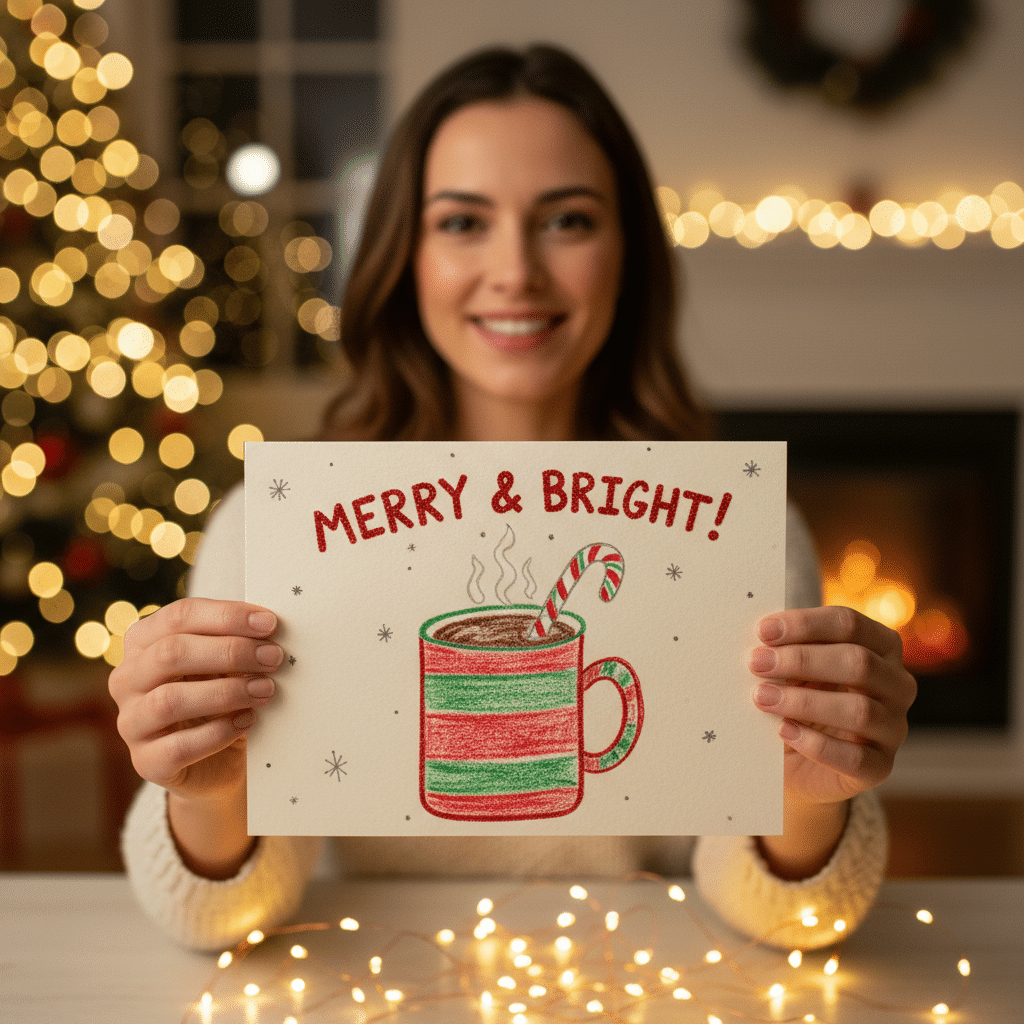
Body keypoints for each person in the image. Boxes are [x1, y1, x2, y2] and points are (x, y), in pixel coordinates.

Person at [108, 44, 916, 953]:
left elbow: (795, 919)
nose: (516, 271)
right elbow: (216, 919)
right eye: (462, 222)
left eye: (567, 220)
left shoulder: (746, 533)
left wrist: (809, 805)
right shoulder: (272, 532)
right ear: (402, 254)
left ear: (629, 254)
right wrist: (204, 788)